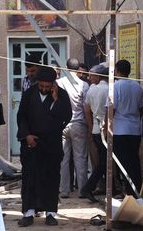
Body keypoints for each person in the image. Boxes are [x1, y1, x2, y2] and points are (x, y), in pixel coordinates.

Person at [17, 66, 72, 227]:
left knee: (51, 178)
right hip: (31, 144)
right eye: (41, 86)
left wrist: (56, 100)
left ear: (53, 85)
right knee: (29, 178)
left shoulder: (61, 95)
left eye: (47, 87)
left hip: (51, 144)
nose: (44, 89)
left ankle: (51, 213)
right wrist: (26, 135)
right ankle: (28, 212)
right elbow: (21, 116)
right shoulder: (29, 94)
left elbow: (66, 117)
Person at [56, 58, 89, 198]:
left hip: (62, 124)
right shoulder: (83, 85)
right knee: (80, 158)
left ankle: (64, 190)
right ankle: (82, 190)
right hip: (79, 124)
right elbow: (86, 107)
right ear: (78, 69)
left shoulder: (59, 83)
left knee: (63, 159)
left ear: (66, 67)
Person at [111, 59, 143, 195]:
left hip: (120, 129)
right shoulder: (138, 86)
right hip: (135, 129)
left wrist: (108, 126)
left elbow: (111, 109)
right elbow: (141, 109)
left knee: (122, 162)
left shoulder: (116, 86)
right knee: (134, 160)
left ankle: (128, 191)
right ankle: (137, 189)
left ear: (117, 71)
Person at [80, 64, 109, 202]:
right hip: (106, 129)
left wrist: (91, 128)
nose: (90, 78)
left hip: (96, 129)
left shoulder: (91, 90)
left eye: (92, 75)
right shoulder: (108, 89)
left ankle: (93, 187)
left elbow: (87, 110)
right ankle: (88, 187)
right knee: (104, 163)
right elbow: (110, 110)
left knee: (103, 161)